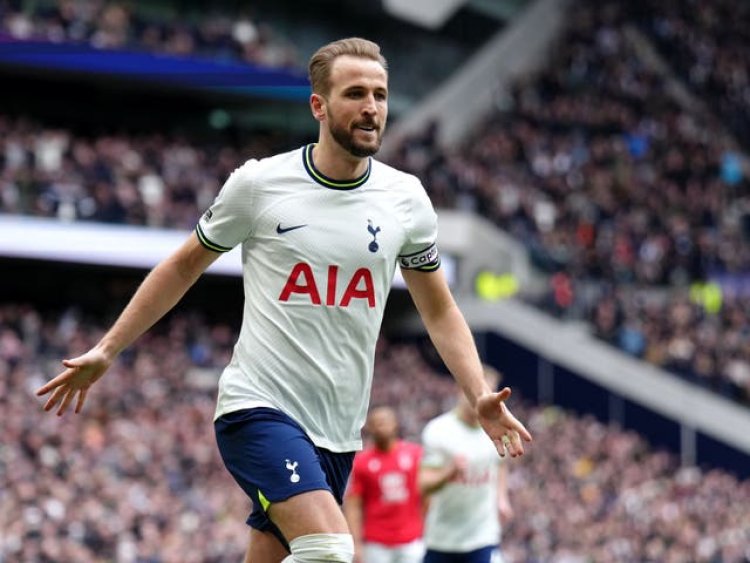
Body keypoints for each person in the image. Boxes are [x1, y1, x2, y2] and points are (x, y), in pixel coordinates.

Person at [35, 37, 532, 563]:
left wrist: (477, 391)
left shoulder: (406, 199)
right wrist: (109, 348)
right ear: (319, 105)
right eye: (355, 93)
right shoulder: (260, 184)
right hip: (258, 409)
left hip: (338, 431)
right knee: (330, 547)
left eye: (380, 95)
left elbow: (439, 308)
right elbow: (183, 265)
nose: (371, 107)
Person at [418, 365, 515, 563]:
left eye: (489, 394)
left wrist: (501, 497)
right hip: (442, 538)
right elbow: (423, 484)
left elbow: (500, 463)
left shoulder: (498, 431)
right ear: (461, 389)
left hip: (483, 536)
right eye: (478, 393)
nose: (484, 401)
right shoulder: (438, 430)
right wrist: (449, 472)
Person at [344, 405, 424, 563]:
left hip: (411, 539)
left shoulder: (415, 454)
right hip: (376, 542)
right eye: (376, 423)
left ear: (395, 423)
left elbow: (426, 495)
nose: (381, 426)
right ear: (369, 428)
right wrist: (356, 543)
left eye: (385, 421)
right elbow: (353, 505)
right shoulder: (362, 462)